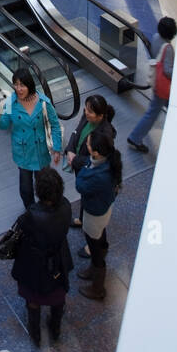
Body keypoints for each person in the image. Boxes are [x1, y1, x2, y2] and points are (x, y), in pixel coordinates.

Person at [11, 166, 73, 346]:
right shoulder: (66, 207)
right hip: (58, 260)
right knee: (58, 296)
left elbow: (21, 233)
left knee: (33, 298)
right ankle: (55, 327)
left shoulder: (31, 215)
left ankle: (35, 331)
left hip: (35, 265)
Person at [0, 66, 62, 208]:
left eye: (22, 85)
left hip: (41, 151)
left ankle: (47, 210)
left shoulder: (43, 102)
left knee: (45, 187)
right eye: (15, 84)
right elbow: (5, 125)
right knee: (26, 189)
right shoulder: (10, 102)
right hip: (23, 153)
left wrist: (57, 148)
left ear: (29, 85)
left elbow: (55, 125)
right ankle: (31, 211)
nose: (18, 88)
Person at [76, 126, 123, 300]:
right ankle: (94, 268)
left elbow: (80, 185)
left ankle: (97, 287)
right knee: (100, 236)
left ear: (95, 153)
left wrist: (84, 166)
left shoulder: (97, 175)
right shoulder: (109, 163)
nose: (86, 146)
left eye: (88, 145)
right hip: (104, 210)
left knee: (93, 244)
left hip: (94, 214)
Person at [127, 16, 177, 153]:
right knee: (152, 113)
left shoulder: (155, 37)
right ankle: (135, 138)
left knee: (171, 105)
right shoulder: (169, 48)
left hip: (157, 81)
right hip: (162, 86)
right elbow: (167, 70)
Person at [65, 94, 116, 226]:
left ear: (100, 116)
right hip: (78, 162)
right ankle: (83, 218)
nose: (86, 113)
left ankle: (84, 220)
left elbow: (97, 159)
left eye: (90, 111)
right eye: (86, 109)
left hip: (86, 168)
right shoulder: (87, 117)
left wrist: (75, 160)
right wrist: (70, 149)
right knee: (85, 194)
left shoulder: (105, 135)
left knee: (87, 193)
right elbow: (76, 132)